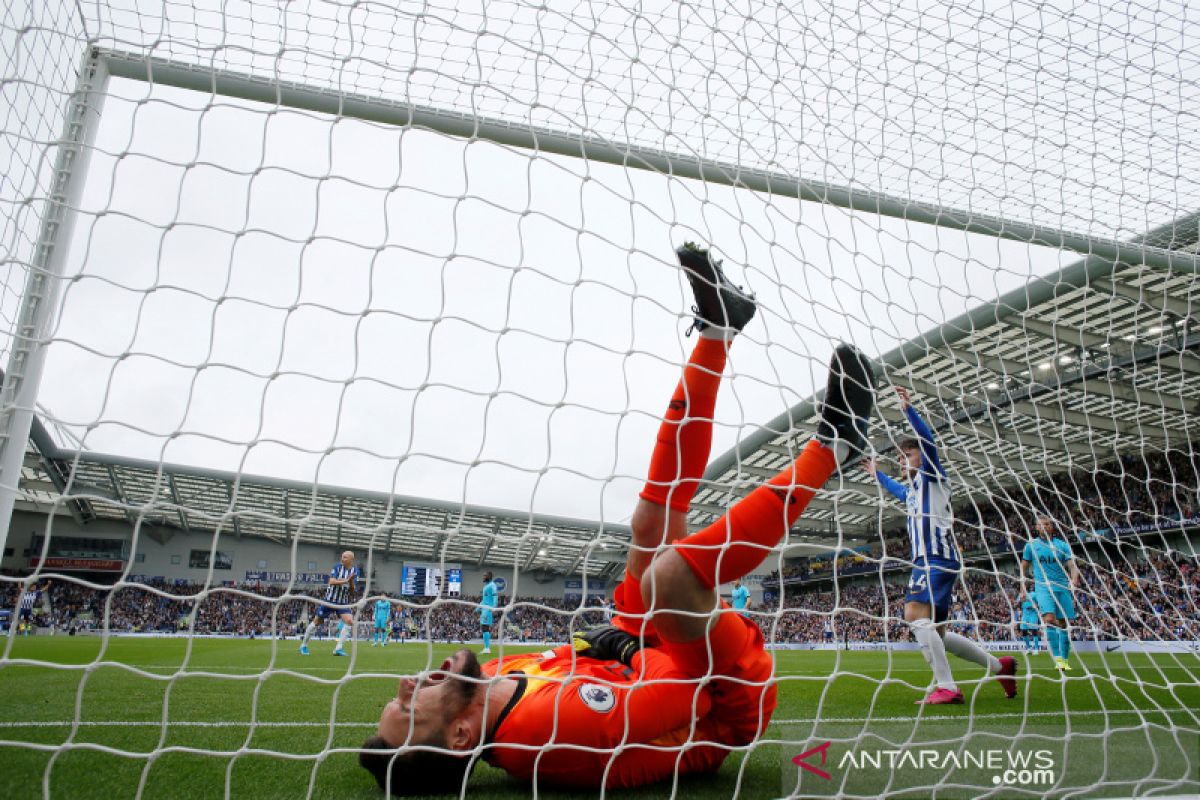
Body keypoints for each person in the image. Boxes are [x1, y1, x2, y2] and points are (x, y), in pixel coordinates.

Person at [359, 241, 876, 794]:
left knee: (650, 520)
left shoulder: (498, 681)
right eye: (409, 707)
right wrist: (628, 648)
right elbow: (688, 690)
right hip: (722, 700)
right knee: (670, 574)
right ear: (461, 736)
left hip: (645, 650)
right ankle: (837, 445)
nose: (408, 683)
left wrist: (615, 644)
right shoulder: (542, 734)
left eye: (399, 695)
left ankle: (719, 327)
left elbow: (583, 650)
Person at [863, 387, 1017, 704]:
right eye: (902, 458)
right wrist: (878, 474)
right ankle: (998, 666)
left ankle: (947, 686)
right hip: (934, 559)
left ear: (921, 456)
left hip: (934, 557)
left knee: (914, 614)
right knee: (939, 633)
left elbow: (930, 444)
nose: (903, 462)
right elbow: (899, 491)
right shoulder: (915, 490)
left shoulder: (933, 476)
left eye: (908, 455)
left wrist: (909, 410)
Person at [1020, 514, 1081, 671]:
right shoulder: (1031, 546)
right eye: (1041, 524)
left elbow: (1072, 565)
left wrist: (1074, 579)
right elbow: (1024, 567)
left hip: (1062, 587)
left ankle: (1065, 660)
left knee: (1064, 625)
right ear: (1036, 527)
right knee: (1048, 619)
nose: (1045, 526)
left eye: (1047, 524)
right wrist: (1023, 587)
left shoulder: (1062, 545)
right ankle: (1058, 659)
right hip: (1043, 588)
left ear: (1051, 527)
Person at [299, 550, 360, 656]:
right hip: (330, 600)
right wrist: (345, 581)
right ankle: (304, 645)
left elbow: (352, 591)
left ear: (351, 559)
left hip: (343, 602)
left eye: (345, 557)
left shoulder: (355, 571)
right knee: (317, 622)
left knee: (350, 621)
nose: (342, 559)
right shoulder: (337, 567)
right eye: (342, 556)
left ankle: (338, 649)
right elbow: (331, 581)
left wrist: (350, 582)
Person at [479, 572, 499, 654]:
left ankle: (487, 648)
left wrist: (493, 607)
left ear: (489, 576)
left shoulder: (492, 585)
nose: (483, 576)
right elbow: (484, 600)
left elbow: (495, 596)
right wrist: (478, 608)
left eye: (485, 575)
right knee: (483, 627)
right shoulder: (485, 587)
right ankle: (486, 648)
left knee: (485, 627)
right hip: (484, 609)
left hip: (488, 608)